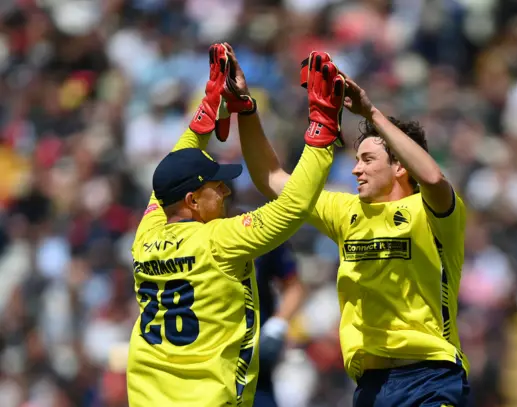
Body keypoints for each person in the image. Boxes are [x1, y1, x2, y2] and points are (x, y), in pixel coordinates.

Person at [231, 47, 470, 406]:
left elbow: (434, 178)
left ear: (400, 166)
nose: (356, 169)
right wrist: (245, 107)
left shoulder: (432, 212)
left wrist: (370, 112)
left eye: (368, 160)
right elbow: (271, 179)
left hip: (431, 376)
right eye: (357, 160)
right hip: (371, 386)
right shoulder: (345, 210)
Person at [126, 44, 346, 407]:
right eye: (216, 186)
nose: (226, 190)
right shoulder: (220, 239)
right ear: (193, 202)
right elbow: (293, 205)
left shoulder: (146, 233)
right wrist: (322, 127)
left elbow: (166, 176)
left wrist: (208, 107)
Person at [253, 241, 304, 407]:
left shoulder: (257, 229)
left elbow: (293, 286)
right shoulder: (184, 231)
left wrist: (277, 323)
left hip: (254, 355)